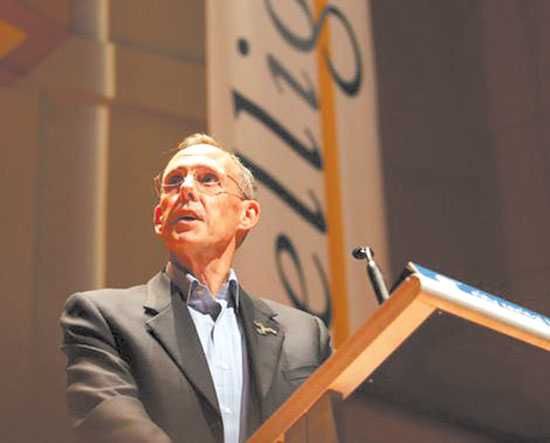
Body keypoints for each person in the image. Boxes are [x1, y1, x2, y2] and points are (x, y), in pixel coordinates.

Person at [60, 133, 332, 443]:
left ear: (247, 215)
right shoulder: (102, 318)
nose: (186, 188)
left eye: (208, 179)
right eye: (174, 181)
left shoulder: (305, 335)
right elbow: (110, 422)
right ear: (159, 218)